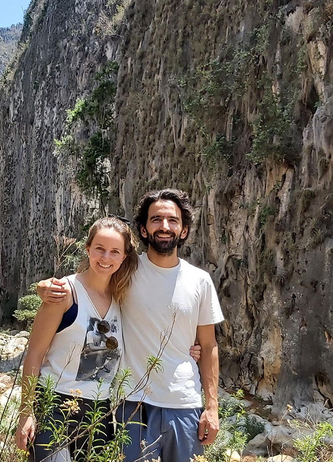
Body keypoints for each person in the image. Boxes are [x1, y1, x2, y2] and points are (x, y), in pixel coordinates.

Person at [37, 189, 224, 462]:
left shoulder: (200, 281)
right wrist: (46, 288)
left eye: (173, 220)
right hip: (132, 403)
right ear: (144, 229)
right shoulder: (125, 270)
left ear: (183, 231)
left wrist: (212, 407)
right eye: (156, 219)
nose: (164, 226)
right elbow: (88, 280)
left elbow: (208, 346)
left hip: (184, 404)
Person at [16, 216, 136, 461]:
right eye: (100, 249)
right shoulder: (63, 293)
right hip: (54, 404)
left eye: (115, 251)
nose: (105, 258)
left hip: (99, 411)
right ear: (88, 248)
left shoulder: (122, 298)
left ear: (124, 257)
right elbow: (35, 354)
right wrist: (26, 411)